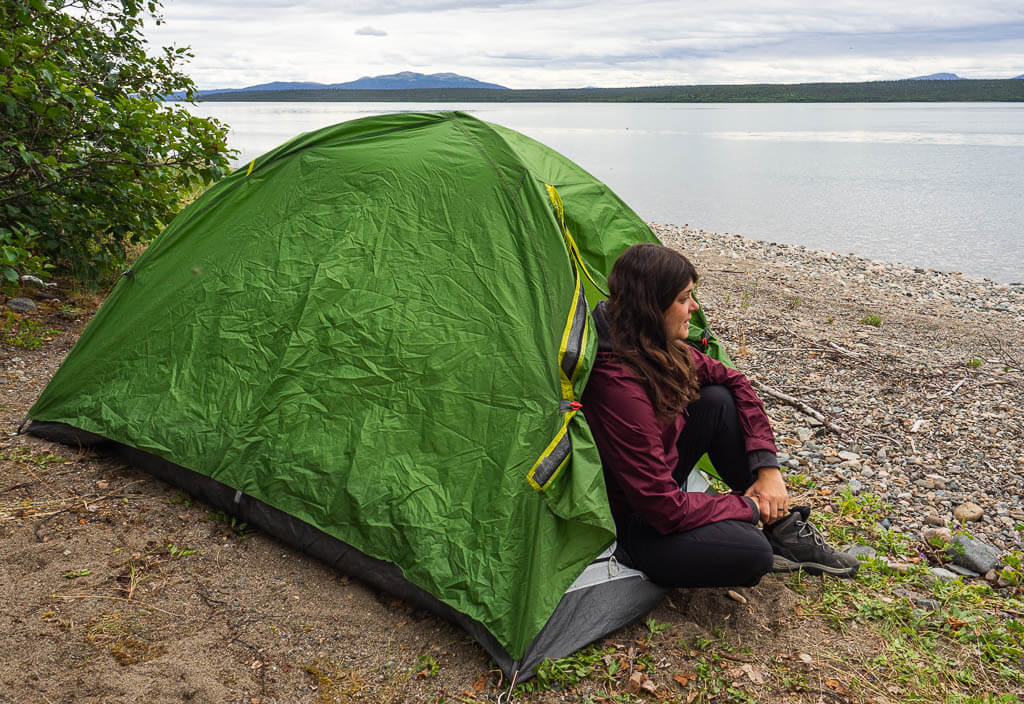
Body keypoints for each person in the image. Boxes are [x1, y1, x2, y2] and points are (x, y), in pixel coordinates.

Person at [581, 243, 858, 587]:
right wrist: (748, 506)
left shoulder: (651, 344)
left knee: (718, 399)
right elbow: (663, 510)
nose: (693, 308)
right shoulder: (618, 389)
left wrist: (767, 468)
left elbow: (735, 380)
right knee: (752, 552)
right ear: (652, 307)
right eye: (684, 299)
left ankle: (786, 529)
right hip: (631, 521)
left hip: (657, 489)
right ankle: (761, 526)